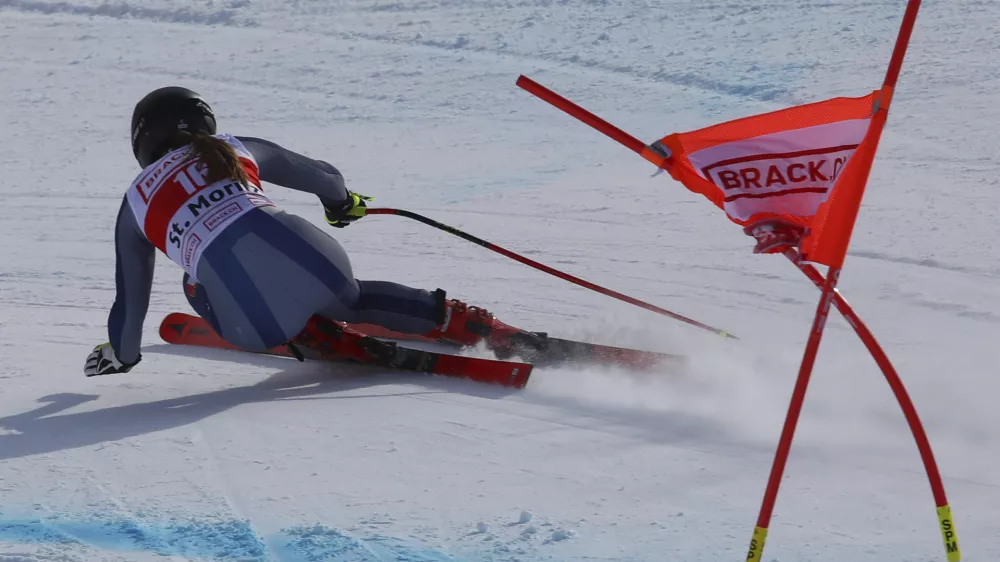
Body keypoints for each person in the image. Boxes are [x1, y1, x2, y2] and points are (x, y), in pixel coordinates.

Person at [85, 87, 528, 377]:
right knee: (354, 298)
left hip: (254, 320)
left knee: (194, 277)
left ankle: (306, 332)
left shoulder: (135, 204)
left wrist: (121, 355)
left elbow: (130, 304)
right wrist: (342, 204)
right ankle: (461, 319)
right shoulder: (234, 148)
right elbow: (324, 176)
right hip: (317, 259)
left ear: (143, 141)